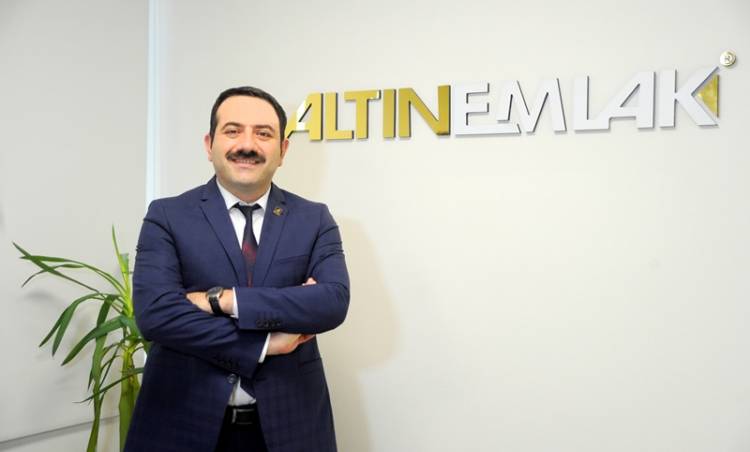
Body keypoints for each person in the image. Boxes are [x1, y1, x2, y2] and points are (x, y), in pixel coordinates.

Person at [124, 86, 350, 452]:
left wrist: (224, 300)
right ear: (209, 144)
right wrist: (264, 343)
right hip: (180, 425)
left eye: (263, 133)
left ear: (283, 150)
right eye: (233, 131)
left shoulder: (314, 219)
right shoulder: (167, 216)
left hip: (292, 428)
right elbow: (156, 315)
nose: (247, 145)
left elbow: (332, 302)